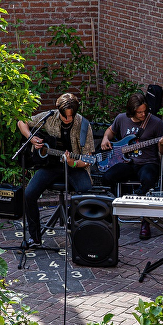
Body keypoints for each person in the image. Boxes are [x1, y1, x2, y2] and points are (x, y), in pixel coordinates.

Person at [17, 93, 95, 246]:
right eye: (65, 116)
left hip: (75, 167)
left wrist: (73, 163)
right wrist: (31, 138)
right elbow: (22, 121)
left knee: (86, 192)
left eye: (71, 116)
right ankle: (35, 237)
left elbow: (87, 159)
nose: (68, 119)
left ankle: (79, 231)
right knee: (29, 194)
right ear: (59, 111)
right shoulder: (49, 117)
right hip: (51, 166)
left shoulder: (83, 125)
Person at [100, 92, 163, 239]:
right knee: (107, 177)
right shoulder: (121, 119)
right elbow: (110, 131)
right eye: (139, 112)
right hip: (127, 163)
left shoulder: (156, 123)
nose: (143, 114)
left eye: (145, 111)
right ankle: (114, 213)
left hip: (148, 163)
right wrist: (105, 138)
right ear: (131, 111)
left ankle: (145, 220)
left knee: (148, 179)